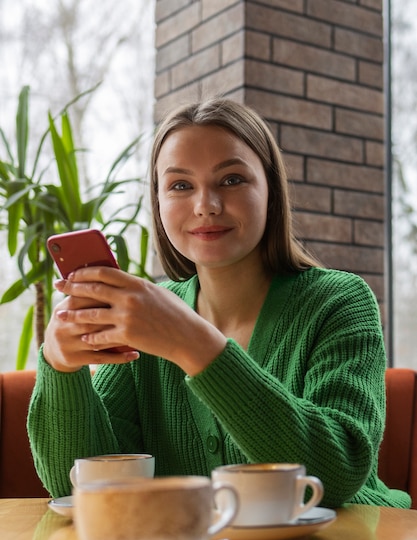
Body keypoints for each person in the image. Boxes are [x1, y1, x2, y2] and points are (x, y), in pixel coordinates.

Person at [27, 97, 411, 508]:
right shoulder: (148, 319)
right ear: (158, 203)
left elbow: (333, 476)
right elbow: (79, 486)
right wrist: (61, 368)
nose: (205, 205)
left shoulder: (340, 302)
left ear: (270, 191)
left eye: (231, 180)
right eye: (180, 185)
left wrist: (191, 344)